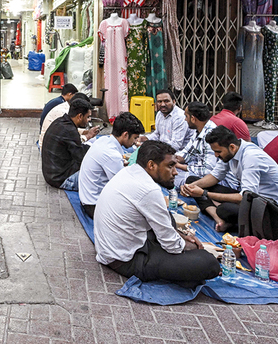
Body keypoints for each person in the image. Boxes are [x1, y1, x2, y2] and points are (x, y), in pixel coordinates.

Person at [94, 140, 220, 287]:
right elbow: (172, 245)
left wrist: (182, 236)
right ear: (151, 165)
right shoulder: (149, 190)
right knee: (209, 263)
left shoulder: (130, 171)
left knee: (170, 220)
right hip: (124, 260)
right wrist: (190, 246)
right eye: (170, 166)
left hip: (112, 249)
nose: (175, 172)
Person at [182, 126, 278, 232]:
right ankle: (219, 219)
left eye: (218, 152)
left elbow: (245, 197)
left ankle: (227, 219)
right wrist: (190, 187)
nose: (216, 155)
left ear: (232, 147)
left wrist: (205, 193)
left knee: (225, 209)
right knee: (191, 180)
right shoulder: (231, 152)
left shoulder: (251, 157)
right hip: (254, 199)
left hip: (275, 210)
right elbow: (215, 176)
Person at [78, 112, 144, 218]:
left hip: (87, 198)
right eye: (135, 138)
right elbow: (124, 188)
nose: (135, 142)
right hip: (94, 206)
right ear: (125, 135)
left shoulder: (104, 140)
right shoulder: (112, 155)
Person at [41, 98, 93, 190]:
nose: (88, 120)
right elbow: (81, 157)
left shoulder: (60, 121)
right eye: (87, 117)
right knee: (100, 178)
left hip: (51, 175)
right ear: (80, 116)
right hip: (60, 179)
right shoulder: (70, 130)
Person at [175, 102, 221, 187]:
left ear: (193, 118)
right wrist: (172, 159)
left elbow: (208, 170)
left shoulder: (211, 135)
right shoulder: (198, 131)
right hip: (195, 169)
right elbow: (187, 152)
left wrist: (180, 166)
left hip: (214, 179)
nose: (185, 119)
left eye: (186, 116)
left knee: (173, 180)